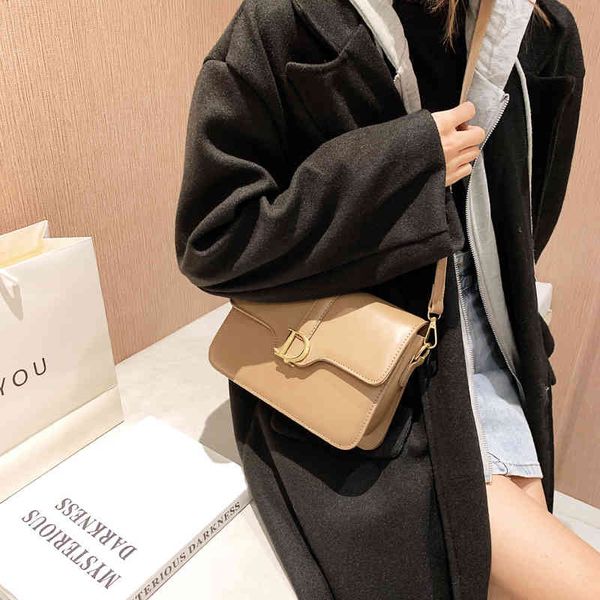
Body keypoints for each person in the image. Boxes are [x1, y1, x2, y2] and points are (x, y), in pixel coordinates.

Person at [174, 0, 598, 597]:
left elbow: (527, 224)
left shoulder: (539, 30)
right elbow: (214, 239)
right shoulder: (290, 21)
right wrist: (402, 163)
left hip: (494, 349)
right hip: (364, 373)